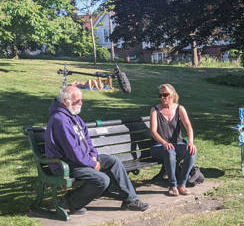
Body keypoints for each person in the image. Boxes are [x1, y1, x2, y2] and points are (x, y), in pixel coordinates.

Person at [44, 85, 149, 214]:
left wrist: (93, 156)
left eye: (81, 100)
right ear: (66, 102)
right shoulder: (60, 120)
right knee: (102, 180)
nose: (81, 103)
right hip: (66, 164)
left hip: (80, 160)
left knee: (113, 161)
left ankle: (131, 200)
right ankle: (71, 202)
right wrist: (92, 163)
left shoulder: (75, 117)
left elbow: (87, 141)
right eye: (78, 101)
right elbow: (72, 151)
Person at [150, 84, 197, 196]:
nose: (162, 97)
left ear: (172, 95)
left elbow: (189, 127)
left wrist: (190, 142)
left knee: (192, 152)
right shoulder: (155, 110)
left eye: (165, 95)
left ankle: (182, 184)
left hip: (176, 144)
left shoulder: (179, 108)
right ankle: (173, 185)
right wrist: (164, 143)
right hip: (159, 146)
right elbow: (153, 131)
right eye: (160, 95)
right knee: (170, 152)